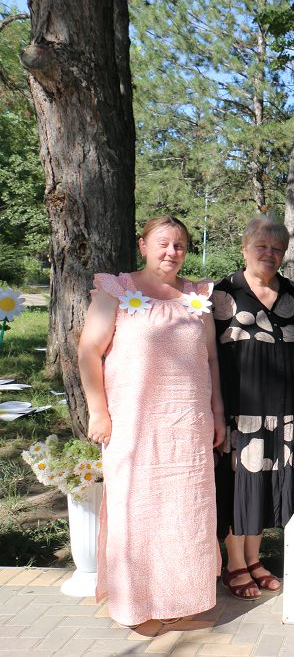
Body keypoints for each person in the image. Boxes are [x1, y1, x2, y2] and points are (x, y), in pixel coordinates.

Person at [79, 215, 225, 627]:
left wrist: (217, 412)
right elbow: (89, 351)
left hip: (188, 428)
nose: (171, 252)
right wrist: (98, 410)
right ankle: (136, 603)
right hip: (134, 425)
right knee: (136, 512)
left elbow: (211, 359)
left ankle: (182, 599)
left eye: (179, 245)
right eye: (163, 243)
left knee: (185, 513)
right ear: (143, 245)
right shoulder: (117, 290)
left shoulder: (197, 296)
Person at [211, 216, 294, 600]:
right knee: (239, 486)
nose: (270, 254)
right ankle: (234, 565)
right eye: (262, 246)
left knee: (263, 488)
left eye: (277, 248)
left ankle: (254, 560)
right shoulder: (222, 293)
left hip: (286, 413)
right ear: (244, 248)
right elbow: (207, 356)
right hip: (240, 411)